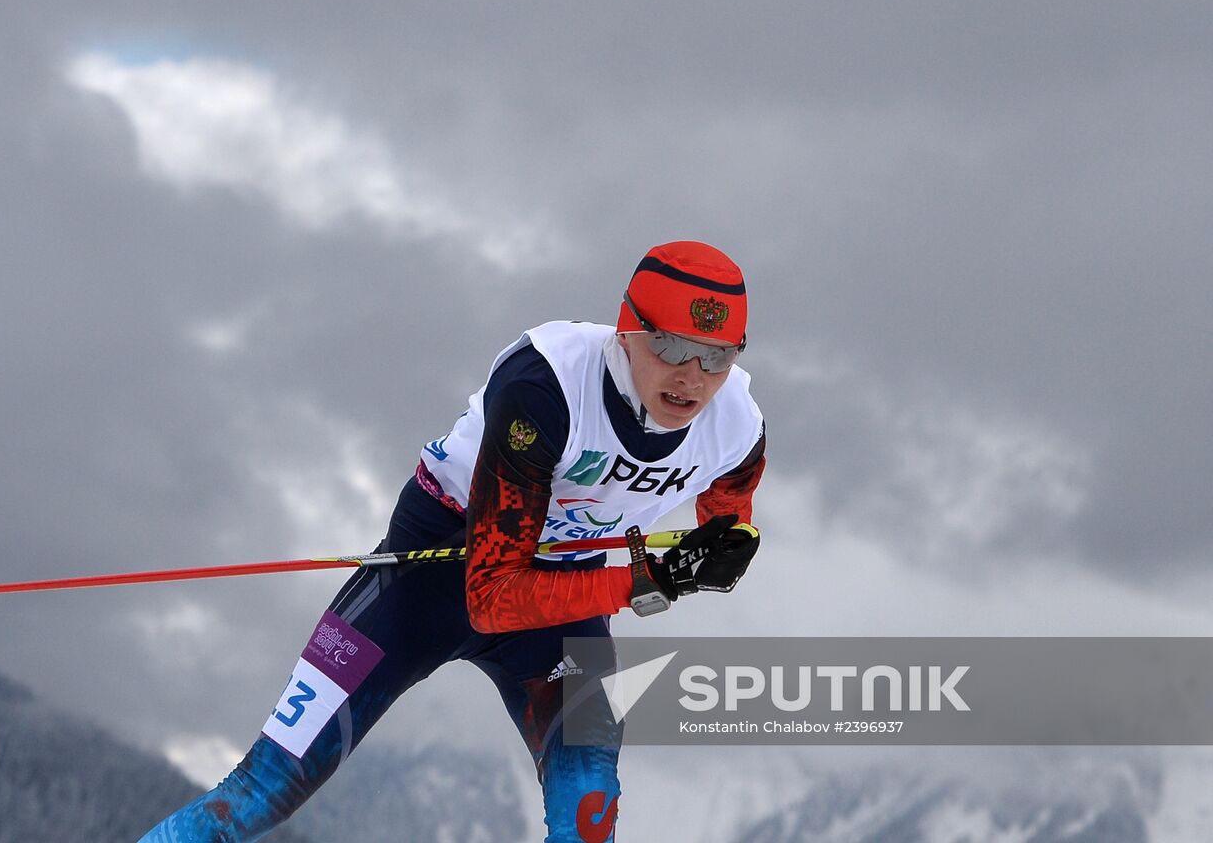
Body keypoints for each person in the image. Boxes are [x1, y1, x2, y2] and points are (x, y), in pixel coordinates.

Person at [139, 240, 767, 843]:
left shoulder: (736, 422)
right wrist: (648, 582)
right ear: (628, 328)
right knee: (259, 795)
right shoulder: (546, 386)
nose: (693, 377)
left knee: (589, 821)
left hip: (561, 605)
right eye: (673, 346)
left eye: (717, 355)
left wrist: (726, 545)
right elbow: (491, 600)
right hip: (425, 583)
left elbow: (728, 514)